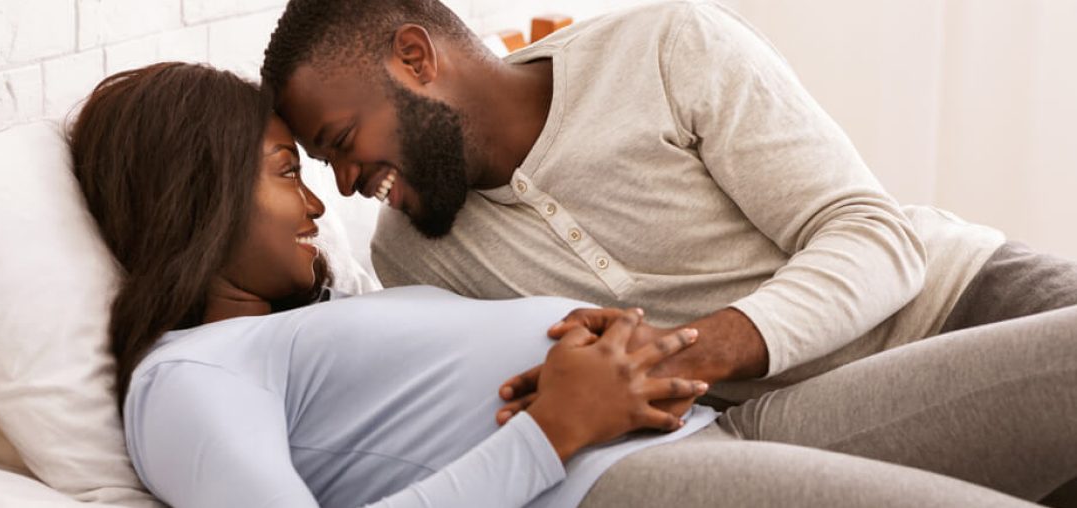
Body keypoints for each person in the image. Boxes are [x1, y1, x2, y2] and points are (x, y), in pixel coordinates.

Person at [68, 62, 1044, 508]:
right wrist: (551, 431)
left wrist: (592, 347)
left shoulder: (332, 311)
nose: (319, 206)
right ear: (195, 194)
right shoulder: (187, 379)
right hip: (614, 479)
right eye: (287, 171)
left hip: (719, 419)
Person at [260, 0, 1077, 505]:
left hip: (957, 300)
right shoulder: (411, 256)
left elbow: (871, 235)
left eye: (339, 142)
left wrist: (686, 349)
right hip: (796, 429)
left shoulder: (664, 48)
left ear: (416, 58)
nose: (343, 182)